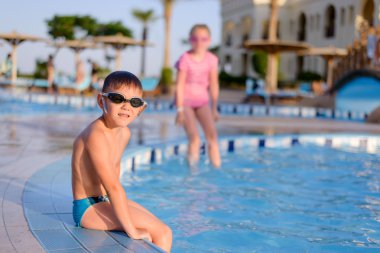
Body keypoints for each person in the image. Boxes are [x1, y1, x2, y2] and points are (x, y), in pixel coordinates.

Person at [71, 71, 172, 253]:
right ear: (101, 101)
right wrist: (131, 230)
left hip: (103, 202)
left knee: (163, 230)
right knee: (161, 233)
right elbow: (113, 187)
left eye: (134, 102)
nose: (126, 106)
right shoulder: (96, 134)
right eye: (118, 98)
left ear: (140, 108)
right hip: (88, 209)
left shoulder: (124, 133)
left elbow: (114, 175)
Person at [175, 24, 221, 168]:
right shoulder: (185, 59)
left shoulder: (212, 59)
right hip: (186, 102)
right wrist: (180, 110)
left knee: (212, 136)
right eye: (195, 39)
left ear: (209, 40)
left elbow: (214, 84)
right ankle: (192, 173)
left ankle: (217, 168)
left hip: (202, 102)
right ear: (190, 40)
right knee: (195, 139)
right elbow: (179, 85)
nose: (199, 42)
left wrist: (214, 108)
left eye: (203, 39)